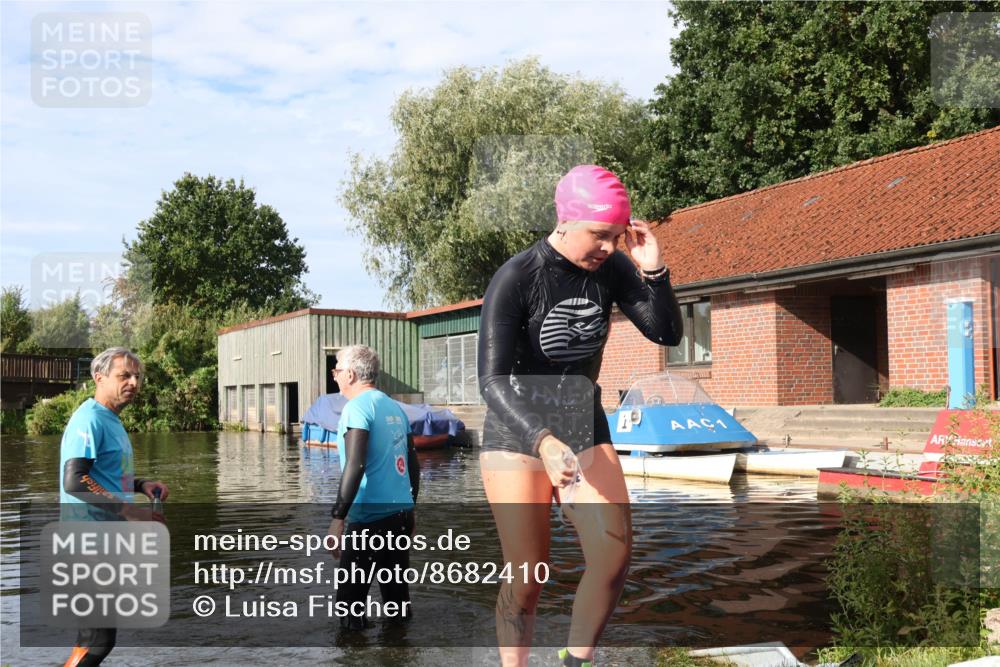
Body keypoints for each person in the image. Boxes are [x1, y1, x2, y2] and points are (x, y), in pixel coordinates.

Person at [478, 164, 684, 667]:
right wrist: (543, 441)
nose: (609, 247)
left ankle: (575, 660)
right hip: (518, 432)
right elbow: (492, 381)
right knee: (528, 574)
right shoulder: (517, 277)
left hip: (583, 424)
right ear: (565, 221)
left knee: (613, 554)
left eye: (616, 236)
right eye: (599, 234)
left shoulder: (613, 269)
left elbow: (666, 333)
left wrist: (654, 270)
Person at [60, 347, 170, 667]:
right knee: (97, 642)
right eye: (124, 375)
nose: (134, 382)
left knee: (92, 639)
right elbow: (75, 480)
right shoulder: (89, 419)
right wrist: (129, 512)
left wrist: (141, 485)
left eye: (137, 376)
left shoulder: (111, 420)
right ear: (100, 378)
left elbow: (103, 476)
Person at [326, 344, 421, 630]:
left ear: (351, 374)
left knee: (349, 607)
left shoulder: (356, 408)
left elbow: (355, 465)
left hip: (368, 520)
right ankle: (400, 648)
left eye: (336, 371)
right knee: (397, 602)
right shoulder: (395, 408)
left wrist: (338, 518)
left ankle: (354, 650)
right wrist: (411, 509)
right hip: (400, 516)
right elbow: (413, 466)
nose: (334, 376)